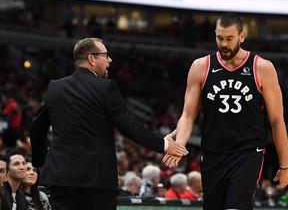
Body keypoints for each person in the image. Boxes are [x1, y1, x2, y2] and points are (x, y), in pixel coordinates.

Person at [29, 37, 188, 210]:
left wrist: (40, 161)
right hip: (97, 179)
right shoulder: (105, 88)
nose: (109, 60)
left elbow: (36, 127)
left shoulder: (55, 87)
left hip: (60, 177)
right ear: (92, 59)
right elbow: (129, 127)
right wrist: (164, 144)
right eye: (106, 55)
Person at [163, 13, 288, 210]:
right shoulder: (201, 66)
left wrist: (284, 165)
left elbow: (277, 120)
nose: (224, 44)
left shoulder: (262, 68)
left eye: (229, 38)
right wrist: (180, 144)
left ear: (242, 36)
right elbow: (188, 115)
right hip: (213, 153)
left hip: (247, 152)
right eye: (220, 38)